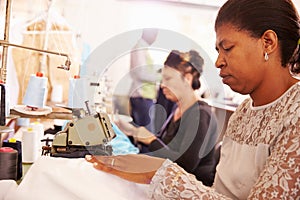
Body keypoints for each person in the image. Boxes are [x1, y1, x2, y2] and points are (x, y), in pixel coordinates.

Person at [86, 0, 300, 199]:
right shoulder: (244, 113)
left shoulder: (295, 113)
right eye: (218, 51)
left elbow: (187, 168)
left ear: (268, 42)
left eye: (227, 48)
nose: (218, 62)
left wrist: (161, 173)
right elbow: (220, 191)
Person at [115, 50, 218, 186]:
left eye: (168, 79)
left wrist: (151, 140)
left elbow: (185, 167)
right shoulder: (178, 109)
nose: (162, 85)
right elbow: (166, 149)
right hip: (167, 182)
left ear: (187, 78)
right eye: (162, 79)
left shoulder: (201, 115)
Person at [129, 28, 161, 130]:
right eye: (155, 35)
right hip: (142, 97)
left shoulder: (144, 49)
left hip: (146, 97)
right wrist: (160, 76)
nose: (155, 38)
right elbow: (141, 73)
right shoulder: (139, 49)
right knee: (146, 133)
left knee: (145, 132)